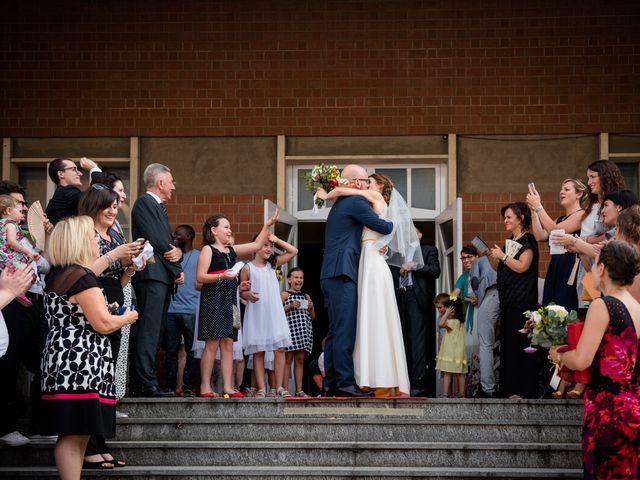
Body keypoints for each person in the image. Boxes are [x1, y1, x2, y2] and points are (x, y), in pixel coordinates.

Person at [40, 216, 138, 479]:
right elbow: (103, 323)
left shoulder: (61, 273)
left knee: (78, 431)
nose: (98, 241)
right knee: (73, 433)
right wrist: (127, 317)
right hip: (80, 361)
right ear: (80, 242)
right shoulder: (82, 276)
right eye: (94, 237)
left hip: (66, 356)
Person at [318, 172, 417, 397]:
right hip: (347, 270)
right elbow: (384, 226)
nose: (366, 184)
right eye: (363, 180)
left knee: (337, 328)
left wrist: (331, 192)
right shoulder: (356, 201)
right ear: (356, 181)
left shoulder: (355, 200)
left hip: (348, 268)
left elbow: (385, 227)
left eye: (369, 182)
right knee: (344, 328)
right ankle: (343, 381)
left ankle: (333, 381)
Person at [549, 241, 640, 479]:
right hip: (634, 405)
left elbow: (581, 360)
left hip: (608, 409)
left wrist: (558, 354)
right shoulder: (637, 308)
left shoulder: (604, 305)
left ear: (602, 269)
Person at [77, 185, 143, 468]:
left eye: (116, 206)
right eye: (108, 205)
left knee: (107, 374)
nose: (113, 211)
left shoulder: (114, 234)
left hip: (115, 297)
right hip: (92, 299)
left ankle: (102, 442)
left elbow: (119, 279)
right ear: (94, 205)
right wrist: (116, 255)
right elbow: (85, 271)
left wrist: (130, 268)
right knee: (92, 374)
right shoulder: (84, 234)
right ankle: (88, 444)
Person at [196, 211, 278, 397]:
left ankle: (228, 387)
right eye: (226, 227)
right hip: (213, 297)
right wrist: (221, 276)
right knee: (212, 343)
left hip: (229, 299)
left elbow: (256, 245)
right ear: (214, 230)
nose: (229, 230)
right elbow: (200, 276)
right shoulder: (208, 249)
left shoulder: (231, 251)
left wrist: (267, 225)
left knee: (228, 343)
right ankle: (205, 387)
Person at [130, 163, 184, 398]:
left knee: (156, 329)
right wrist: (176, 266)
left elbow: (167, 242)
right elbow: (159, 238)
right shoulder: (145, 203)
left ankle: (148, 378)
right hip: (151, 276)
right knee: (149, 330)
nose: (174, 186)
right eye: (171, 181)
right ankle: (144, 382)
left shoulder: (157, 206)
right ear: (160, 183)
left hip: (160, 277)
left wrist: (177, 257)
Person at [490, 201, 540, 399]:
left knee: (521, 346)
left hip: (523, 302)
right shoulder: (510, 241)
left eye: (509, 217)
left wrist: (502, 257)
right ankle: (509, 390)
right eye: (505, 217)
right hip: (508, 302)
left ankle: (524, 390)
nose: (505, 220)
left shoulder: (528, 240)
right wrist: (495, 259)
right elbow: (505, 268)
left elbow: (522, 266)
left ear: (520, 218)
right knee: (509, 347)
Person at [241, 234, 297, 397]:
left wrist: (277, 240)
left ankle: (278, 386)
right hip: (258, 313)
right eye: (264, 245)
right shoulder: (247, 268)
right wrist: (248, 295)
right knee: (258, 351)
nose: (268, 249)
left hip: (274, 312)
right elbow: (242, 291)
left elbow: (293, 251)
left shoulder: (273, 265)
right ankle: (261, 388)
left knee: (279, 349)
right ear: (255, 246)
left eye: (270, 246)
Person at [391, 227, 440, 397]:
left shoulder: (428, 250)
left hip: (416, 297)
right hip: (400, 297)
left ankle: (419, 383)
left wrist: (414, 266)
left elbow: (435, 271)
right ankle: (405, 381)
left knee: (417, 341)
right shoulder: (398, 254)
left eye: (411, 232)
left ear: (420, 235)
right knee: (403, 339)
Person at [527, 178, 587, 312]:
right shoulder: (559, 219)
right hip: (555, 266)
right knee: (551, 308)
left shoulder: (581, 214)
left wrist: (539, 207)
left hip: (571, 267)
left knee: (566, 309)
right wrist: (533, 211)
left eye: (566, 189)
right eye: (561, 189)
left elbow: (555, 231)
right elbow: (540, 236)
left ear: (579, 194)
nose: (561, 192)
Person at [164, 224, 200, 397]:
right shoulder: (170, 255)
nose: (174, 235)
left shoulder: (200, 256)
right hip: (170, 310)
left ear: (190, 235)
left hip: (192, 311)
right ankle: (170, 387)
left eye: (179, 233)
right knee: (170, 351)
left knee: (192, 351)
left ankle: (189, 387)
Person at [469, 253, 500, 398]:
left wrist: (479, 298)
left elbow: (475, 283)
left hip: (491, 294)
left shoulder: (479, 262)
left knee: (486, 344)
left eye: (467, 257)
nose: (466, 260)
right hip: (510, 295)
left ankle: (488, 388)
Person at [451, 245, 480, 396]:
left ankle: (482, 384)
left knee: (482, 346)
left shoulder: (484, 271)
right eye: (463, 258)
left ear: (477, 257)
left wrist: (480, 299)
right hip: (470, 313)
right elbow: (454, 294)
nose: (466, 261)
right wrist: (452, 299)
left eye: (470, 257)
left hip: (484, 312)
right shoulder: (464, 277)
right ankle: (470, 388)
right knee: (469, 346)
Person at [281, 267, 315, 397]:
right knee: (288, 359)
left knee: (300, 360)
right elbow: (277, 313)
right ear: (289, 279)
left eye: (301, 277)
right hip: (289, 331)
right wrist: (289, 306)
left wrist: (311, 308)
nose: (299, 280)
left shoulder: (306, 296)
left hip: (302, 332)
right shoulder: (285, 294)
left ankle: (299, 389)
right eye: (296, 277)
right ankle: (284, 389)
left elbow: (312, 317)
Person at [0, 195, 39, 306]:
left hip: (3, 258)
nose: (23, 213)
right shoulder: (11, 224)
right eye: (20, 211)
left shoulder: (1, 224)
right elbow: (12, 242)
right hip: (10, 257)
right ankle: (21, 293)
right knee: (29, 272)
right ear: (8, 211)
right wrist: (28, 252)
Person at [45, 157, 102, 225]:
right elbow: (98, 196)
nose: (80, 173)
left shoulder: (63, 193)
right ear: (61, 174)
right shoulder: (66, 192)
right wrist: (94, 169)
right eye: (74, 169)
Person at [434, 294, 467, 398]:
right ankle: (461, 393)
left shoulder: (451, 322)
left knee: (448, 373)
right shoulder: (460, 322)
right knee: (460, 373)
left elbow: (440, 324)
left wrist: (446, 314)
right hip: (458, 352)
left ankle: (445, 393)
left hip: (450, 353)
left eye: (449, 310)